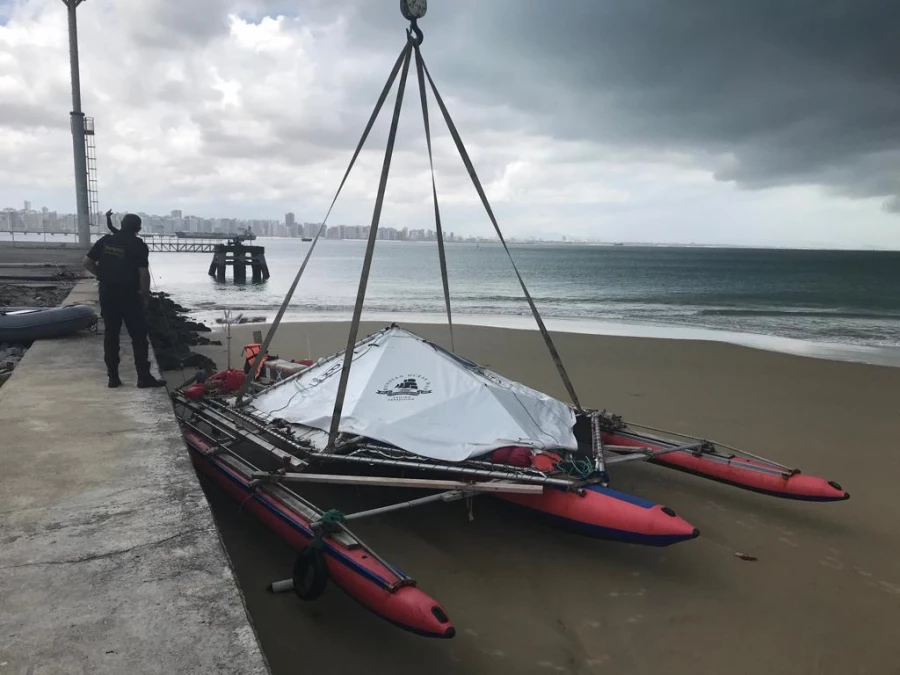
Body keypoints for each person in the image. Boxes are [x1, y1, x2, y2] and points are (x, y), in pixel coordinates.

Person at [82, 212, 166, 389]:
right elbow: (144, 274)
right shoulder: (138, 245)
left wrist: (103, 276)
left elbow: (87, 263)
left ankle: (113, 378)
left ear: (121, 225)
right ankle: (143, 377)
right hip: (129, 295)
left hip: (107, 294)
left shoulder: (105, 241)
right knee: (138, 337)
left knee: (111, 336)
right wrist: (145, 297)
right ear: (138, 228)